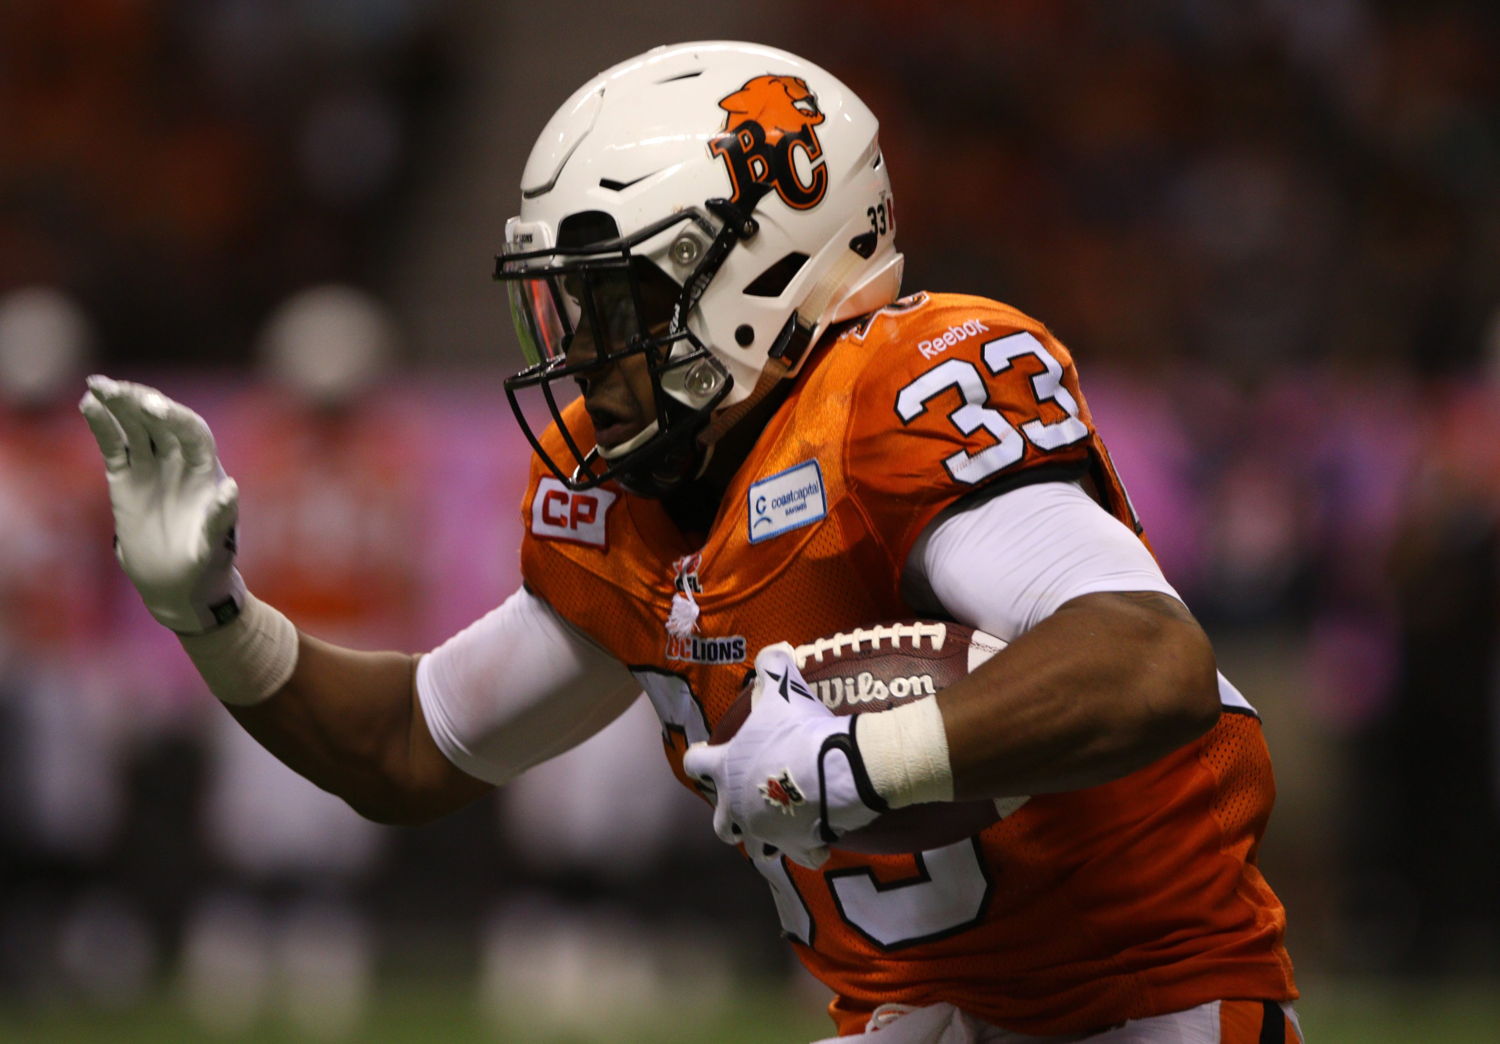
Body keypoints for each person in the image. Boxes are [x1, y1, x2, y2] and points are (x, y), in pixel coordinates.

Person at [81, 41, 1300, 1043]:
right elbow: (411, 745)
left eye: (619, 304)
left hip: (1153, 1014)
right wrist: (215, 616)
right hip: (916, 1019)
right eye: (571, 307)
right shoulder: (634, 494)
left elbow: (1151, 660)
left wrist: (864, 760)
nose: (581, 352)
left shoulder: (898, 394)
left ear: (763, 274)